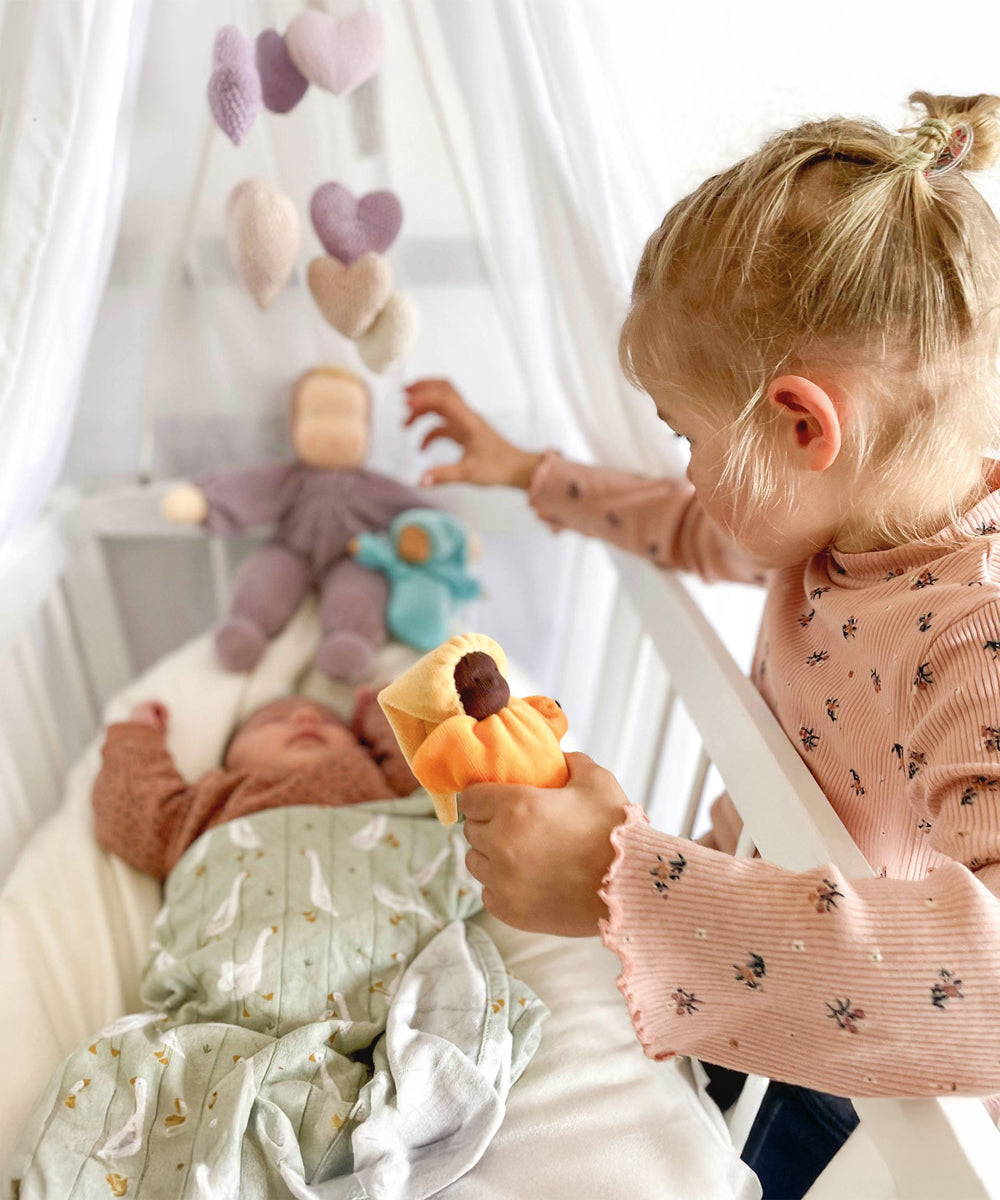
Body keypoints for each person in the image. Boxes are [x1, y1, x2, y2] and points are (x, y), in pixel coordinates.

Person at [403, 90, 1000, 1198]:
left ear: (803, 424)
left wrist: (626, 884)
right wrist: (533, 474)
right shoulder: (832, 522)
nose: (686, 471)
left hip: (864, 1103)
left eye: (687, 435)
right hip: (755, 984)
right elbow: (688, 527)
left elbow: (987, 986)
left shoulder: (977, 640)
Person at [93, 692, 420, 878]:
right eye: (273, 720)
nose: (306, 716)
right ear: (229, 760)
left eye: (332, 722)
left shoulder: (375, 778)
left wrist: (381, 711)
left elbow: (418, 762)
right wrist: (140, 734)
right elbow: (137, 811)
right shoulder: (211, 802)